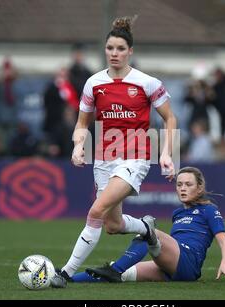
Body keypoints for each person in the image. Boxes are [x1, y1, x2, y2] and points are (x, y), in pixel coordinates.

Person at [56, 16, 177, 283]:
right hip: (103, 158)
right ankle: (146, 228)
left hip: (135, 157)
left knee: (95, 211)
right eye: (110, 48)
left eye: (120, 49)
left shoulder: (147, 83)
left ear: (130, 51)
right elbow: (82, 123)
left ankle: (64, 273)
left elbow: (170, 118)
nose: (114, 53)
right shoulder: (93, 83)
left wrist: (166, 153)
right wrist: (78, 146)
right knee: (112, 225)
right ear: (105, 50)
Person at [68, 167, 225, 283]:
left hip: (188, 263)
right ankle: (67, 278)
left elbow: (223, 240)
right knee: (125, 272)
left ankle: (115, 270)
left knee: (148, 231)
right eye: (179, 185)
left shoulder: (208, 210)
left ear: (200, 188)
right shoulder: (177, 213)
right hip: (170, 267)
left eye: (188, 184)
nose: (182, 188)